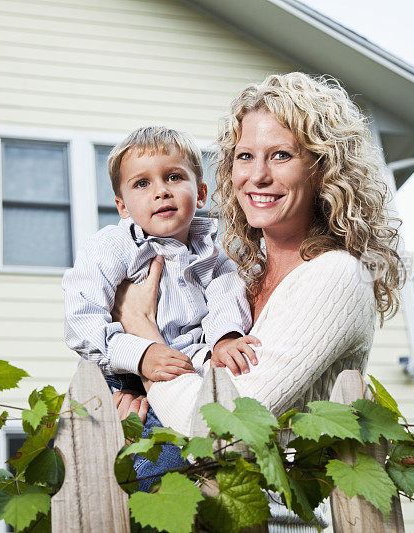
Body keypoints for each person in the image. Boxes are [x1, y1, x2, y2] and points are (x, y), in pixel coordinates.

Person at [111, 72, 405, 437]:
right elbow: (194, 375)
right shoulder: (237, 277)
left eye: (281, 155)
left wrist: (139, 328)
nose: (258, 175)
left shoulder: (336, 276)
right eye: (245, 156)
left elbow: (220, 429)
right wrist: (133, 396)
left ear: (322, 170)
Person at [61, 126, 261, 489]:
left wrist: (226, 338)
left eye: (174, 177)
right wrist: (141, 355)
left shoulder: (214, 254)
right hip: (117, 371)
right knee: (112, 472)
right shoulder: (113, 246)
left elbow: (227, 298)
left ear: (200, 192)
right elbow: (81, 319)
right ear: (122, 205)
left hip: (186, 372)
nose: (161, 191)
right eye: (141, 184)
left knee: (184, 463)